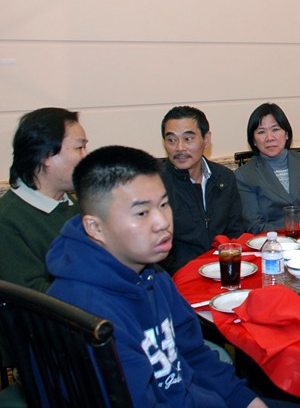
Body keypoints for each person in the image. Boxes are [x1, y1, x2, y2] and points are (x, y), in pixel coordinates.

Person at [46, 146, 267, 408]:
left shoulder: (152, 273)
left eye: (164, 204)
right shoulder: (87, 313)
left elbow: (194, 353)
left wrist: (246, 400)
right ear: (95, 227)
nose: (162, 222)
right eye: (142, 213)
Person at [0, 108, 87, 292]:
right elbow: (33, 297)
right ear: (46, 155)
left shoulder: (76, 206)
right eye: (79, 148)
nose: (85, 156)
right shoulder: (7, 222)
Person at [158, 106, 245, 274]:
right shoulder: (156, 184)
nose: (179, 148)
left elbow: (236, 231)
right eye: (171, 140)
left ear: (206, 139)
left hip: (223, 269)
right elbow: (156, 246)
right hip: (179, 275)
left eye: (188, 139)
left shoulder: (224, 177)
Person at [236, 103, 300, 233]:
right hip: (272, 242)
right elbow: (255, 225)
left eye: (275, 129)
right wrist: (290, 237)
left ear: (286, 134)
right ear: (253, 140)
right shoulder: (244, 175)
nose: (269, 138)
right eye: (261, 132)